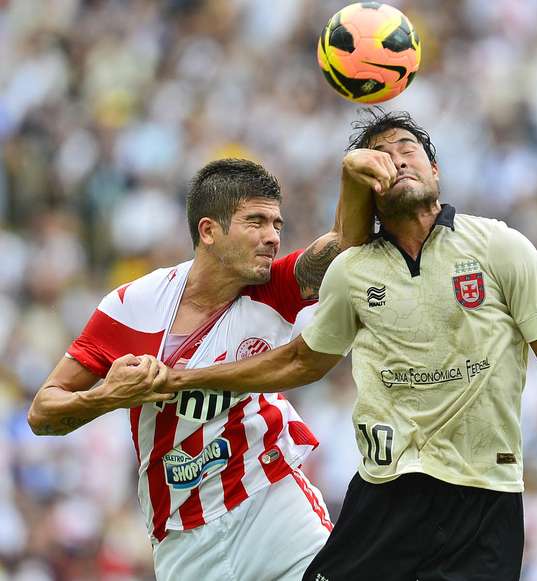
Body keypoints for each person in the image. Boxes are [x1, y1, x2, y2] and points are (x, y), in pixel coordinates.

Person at [158, 110, 537, 580]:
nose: (398, 161)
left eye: (408, 150)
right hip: (385, 494)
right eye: (380, 158)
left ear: (435, 171)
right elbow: (299, 362)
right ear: (371, 188)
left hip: (483, 499)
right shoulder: (353, 270)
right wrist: (182, 379)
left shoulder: (499, 247)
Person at [26, 157, 377, 581]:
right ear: (209, 230)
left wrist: (353, 175)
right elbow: (43, 412)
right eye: (256, 222)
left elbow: (344, 247)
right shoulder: (132, 306)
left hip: (271, 502)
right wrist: (107, 396)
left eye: (277, 225)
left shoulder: (277, 286)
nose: (272, 238)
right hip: (183, 533)